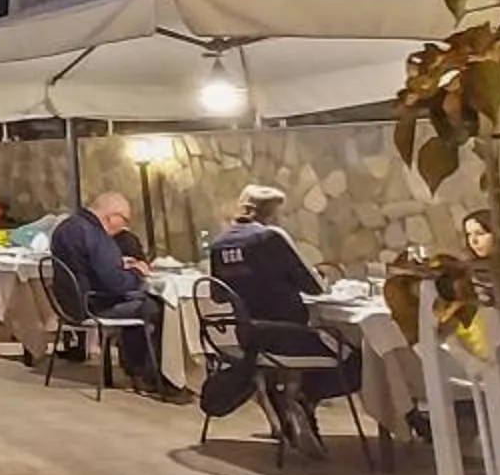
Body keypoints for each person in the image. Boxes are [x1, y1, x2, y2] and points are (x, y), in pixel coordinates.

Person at [205, 184, 360, 455]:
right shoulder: (270, 238)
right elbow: (314, 287)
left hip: (249, 338)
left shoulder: (219, 245)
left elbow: (217, 296)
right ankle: (303, 397)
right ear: (271, 214)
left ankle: (285, 400)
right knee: (360, 358)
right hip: (287, 337)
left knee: (322, 344)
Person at [48, 192, 179, 398]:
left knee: (141, 303)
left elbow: (90, 267)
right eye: (125, 220)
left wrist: (118, 265)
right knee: (159, 306)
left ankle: (135, 369)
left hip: (68, 303)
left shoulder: (65, 227)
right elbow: (118, 285)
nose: (125, 226)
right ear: (112, 217)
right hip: (92, 306)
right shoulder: (96, 235)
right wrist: (137, 272)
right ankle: (151, 376)